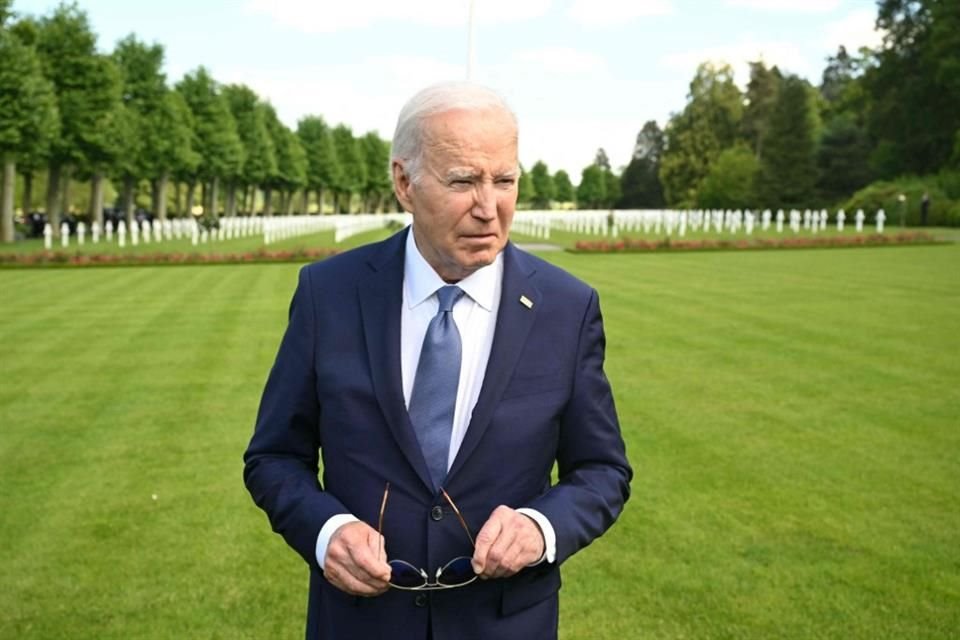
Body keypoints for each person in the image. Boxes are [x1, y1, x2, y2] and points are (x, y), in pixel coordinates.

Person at [243, 81, 632, 640]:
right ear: (404, 182)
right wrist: (327, 531)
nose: (488, 206)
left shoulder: (567, 308)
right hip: (359, 624)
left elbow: (602, 470)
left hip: (505, 624)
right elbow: (274, 457)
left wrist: (539, 527)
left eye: (504, 180)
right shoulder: (327, 294)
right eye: (463, 181)